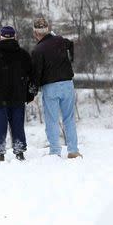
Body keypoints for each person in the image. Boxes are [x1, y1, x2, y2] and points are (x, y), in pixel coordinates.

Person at [0, 26, 35, 161]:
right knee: (17, 125)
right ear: (15, 37)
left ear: (0, 37)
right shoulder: (23, 55)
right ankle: (19, 151)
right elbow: (32, 76)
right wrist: (30, 94)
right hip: (18, 98)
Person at [31, 17, 82, 159]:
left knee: (52, 119)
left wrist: (32, 91)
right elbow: (70, 44)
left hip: (50, 86)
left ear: (35, 33)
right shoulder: (60, 40)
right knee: (69, 118)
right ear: (48, 29)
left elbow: (36, 73)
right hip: (67, 83)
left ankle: (55, 151)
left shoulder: (37, 50)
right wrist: (70, 59)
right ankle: (73, 150)